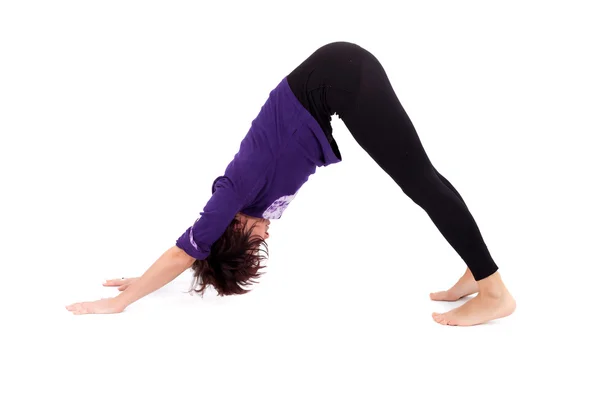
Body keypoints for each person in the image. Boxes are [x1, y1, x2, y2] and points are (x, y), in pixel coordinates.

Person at [66, 41, 516, 326]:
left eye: (252, 242)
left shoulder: (233, 193)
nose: (264, 236)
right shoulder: (253, 208)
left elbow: (186, 250)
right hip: (334, 83)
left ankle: (494, 290)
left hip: (339, 78)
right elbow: (192, 258)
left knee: (419, 182)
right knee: (422, 179)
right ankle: (475, 271)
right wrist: (146, 280)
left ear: (229, 229)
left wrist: (119, 303)